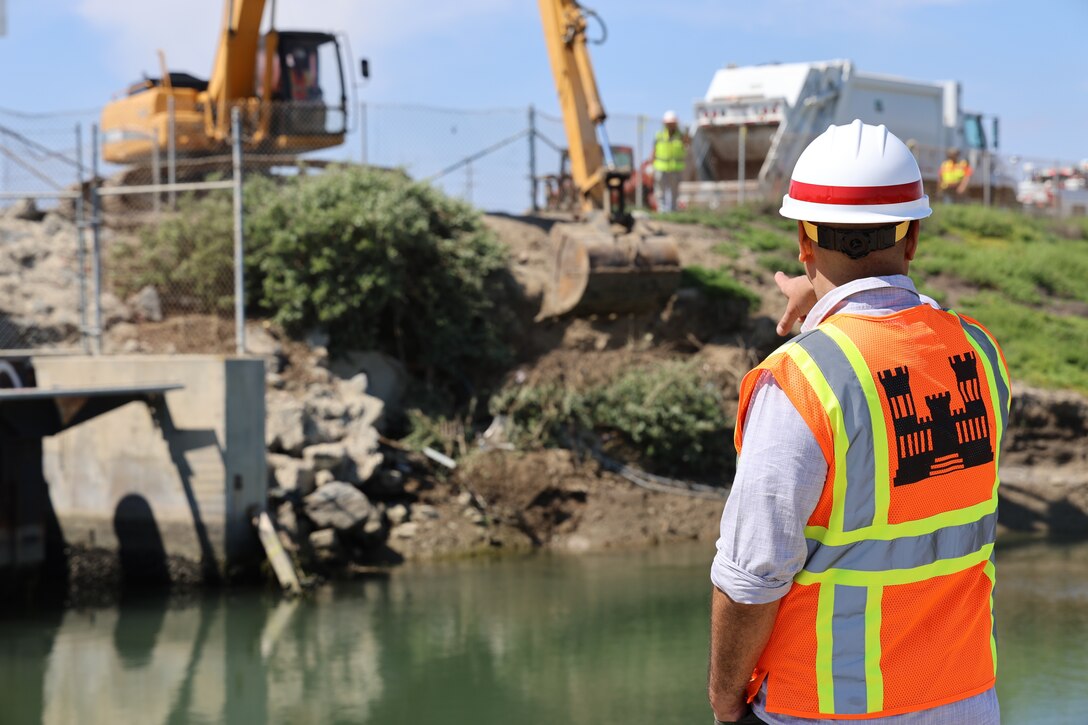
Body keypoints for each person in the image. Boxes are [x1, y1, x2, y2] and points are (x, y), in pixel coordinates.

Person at [707, 120, 1008, 725]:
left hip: (830, 710)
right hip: (965, 699)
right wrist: (825, 309)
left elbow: (751, 577)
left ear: (803, 241)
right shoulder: (979, 352)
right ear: (913, 237)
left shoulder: (801, 381)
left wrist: (724, 699)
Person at [652, 110, 687, 212]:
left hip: (675, 168)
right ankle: (662, 210)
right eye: (669, 124)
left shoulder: (681, 136)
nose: (670, 126)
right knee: (660, 191)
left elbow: (688, 145)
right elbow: (653, 151)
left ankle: (673, 210)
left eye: (672, 124)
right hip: (660, 167)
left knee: (674, 191)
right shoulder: (659, 135)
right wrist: (651, 165)